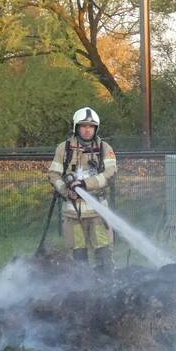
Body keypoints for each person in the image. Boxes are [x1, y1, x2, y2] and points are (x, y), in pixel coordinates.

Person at [47, 107, 118, 270]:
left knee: (104, 256)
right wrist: (66, 191)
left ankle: (107, 283)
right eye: (84, 126)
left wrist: (85, 184)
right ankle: (82, 286)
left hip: (98, 213)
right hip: (73, 215)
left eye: (91, 127)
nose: (87, 130)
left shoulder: (104, 149)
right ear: (76, 127)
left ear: (96, 129)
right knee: (78, 259)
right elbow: (53, 174)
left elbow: (110, 173)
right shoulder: (64, 149)